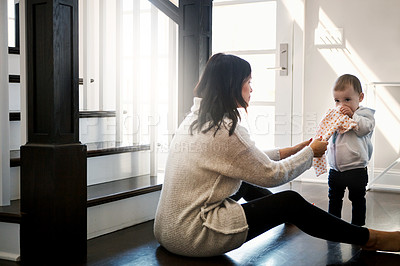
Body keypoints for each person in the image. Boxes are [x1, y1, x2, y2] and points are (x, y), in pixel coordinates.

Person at [153, 53, 400, 257]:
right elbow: (271, 175)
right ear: (232, 86)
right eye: (248, 81)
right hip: (195, 235)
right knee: (289, 201)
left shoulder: (196, 119)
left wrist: (295, 149)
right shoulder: (225, 130)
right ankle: (371, 238)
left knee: (247, 181)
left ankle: (290, 217)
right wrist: (309, 154)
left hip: (169, 229)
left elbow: (245, 159)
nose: (252, 87)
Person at [327, 74, 375, 226]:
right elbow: (328, 132)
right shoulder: (336, 115)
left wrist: (353, 116)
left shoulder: (364, 115)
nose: (342, 105)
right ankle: (333, 226)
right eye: (337, 101)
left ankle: (357, 228)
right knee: (334, 198)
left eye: (347, 100)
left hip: (356, 168)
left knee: (357, 198)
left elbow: (364, 129)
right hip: (335, 168)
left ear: (360, 97)